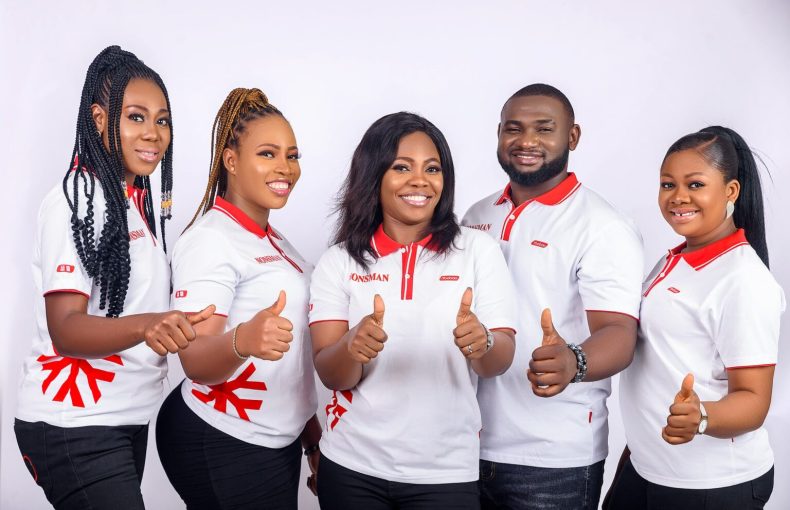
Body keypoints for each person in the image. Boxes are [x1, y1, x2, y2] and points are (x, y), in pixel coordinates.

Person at [14, 45, 211, 510]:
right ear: (100, 119)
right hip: (75, 424)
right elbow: (66, 329)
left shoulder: (132, 201)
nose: (153, 133)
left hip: (124, 418)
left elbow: (138, 307)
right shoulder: (77, 200)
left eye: (162, 120)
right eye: (136, 117)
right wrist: (148, 325)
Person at [309, 112, 517, 509]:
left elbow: (498, 361)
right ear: (374, 175)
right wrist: (351, 348)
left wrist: (483, 343)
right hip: (352, 467)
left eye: (432, 168)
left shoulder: (478, 251)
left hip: (445, 473)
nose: (420, 180)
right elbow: (332, 375)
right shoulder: (339, 261)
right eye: (402, 167)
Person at [462, 83, 644, 509]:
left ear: (572, 137)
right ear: (499, 134)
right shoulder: (477, 215)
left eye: (544, 129)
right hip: (463, 444)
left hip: (553, 458)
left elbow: (619, 332)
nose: (527, 141)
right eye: (514, 128)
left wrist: (574, 360)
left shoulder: (603, 225)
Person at [155, 88, 320, 510]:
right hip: (223, 438)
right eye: (267, 154)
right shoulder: (210, 241)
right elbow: (194, 361)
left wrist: (312, 440)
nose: (285, 167)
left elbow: (292, 361)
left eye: (292, 155)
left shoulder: (273, 239)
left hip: (276, 440)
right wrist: (242, 339)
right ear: (231, 160)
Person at [605, 126, 784, 510]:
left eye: (695, 184)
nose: (678, 196)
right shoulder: (672, 260)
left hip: (711, 484)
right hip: (648, 468)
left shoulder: (744, 280)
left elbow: (754, 401)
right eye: (668, 184)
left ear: (730, 191)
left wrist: (702, 416)